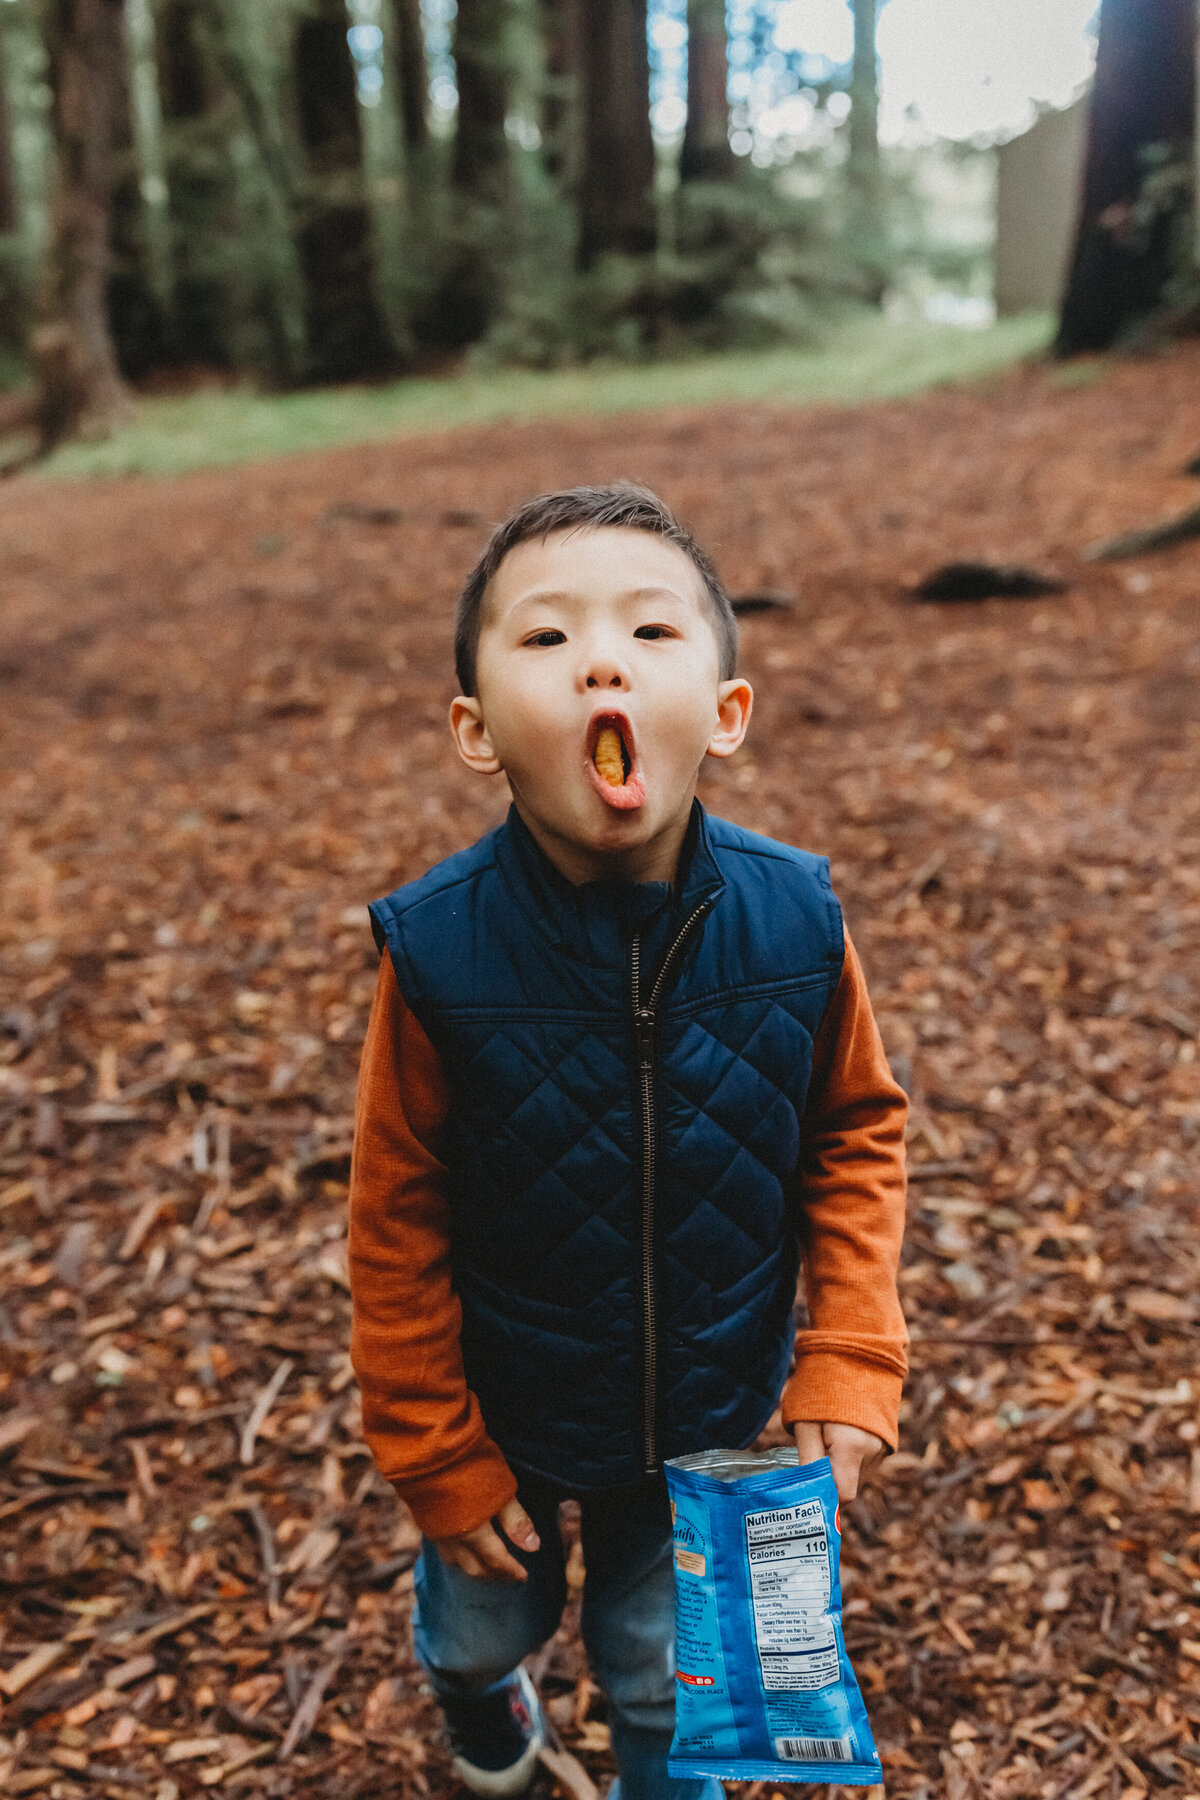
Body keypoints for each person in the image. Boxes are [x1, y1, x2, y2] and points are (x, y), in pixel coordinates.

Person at [348, 484, 908, 1800]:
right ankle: (486, 1720)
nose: (601, 658)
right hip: (511, 1408)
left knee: (666, 1673)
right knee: (480, 1628)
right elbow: (396, 1214)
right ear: (477, 733)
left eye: (651, 634)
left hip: (711, 1409)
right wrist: (432, 1443)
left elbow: (855, 1135)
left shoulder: (795, 923)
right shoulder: (439, 955)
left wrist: (847, 1359)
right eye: (547, 641)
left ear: (724, 714)